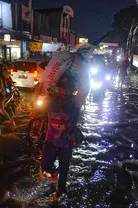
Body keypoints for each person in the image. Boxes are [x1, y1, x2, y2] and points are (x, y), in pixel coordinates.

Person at [41, 73, 79, 201]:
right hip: (51, 140)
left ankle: (60, 190)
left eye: (67, 88)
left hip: (67, 141)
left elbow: (87, 86)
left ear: (72, 90)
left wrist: (78, 63)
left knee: (64, 168)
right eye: (62, 87)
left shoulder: (76, 103)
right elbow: (41, 89)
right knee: (45, 166)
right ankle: (53, 171)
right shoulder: (51, 100)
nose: (64, 91)